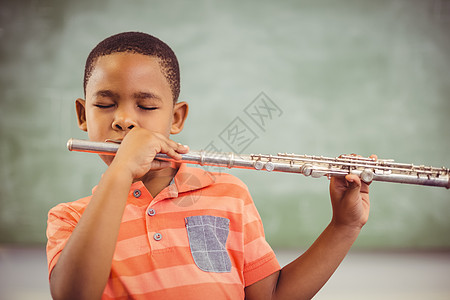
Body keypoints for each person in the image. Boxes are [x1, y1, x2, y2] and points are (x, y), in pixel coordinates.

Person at [46, 31, 374, 300]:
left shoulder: (227, 193)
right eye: (105, 104)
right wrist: (121, 172)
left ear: (176, 118)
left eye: (145, 105)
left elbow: (270, 296)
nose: (124, 120)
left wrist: (344, 226)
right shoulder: (70, 219)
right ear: (82, 115)